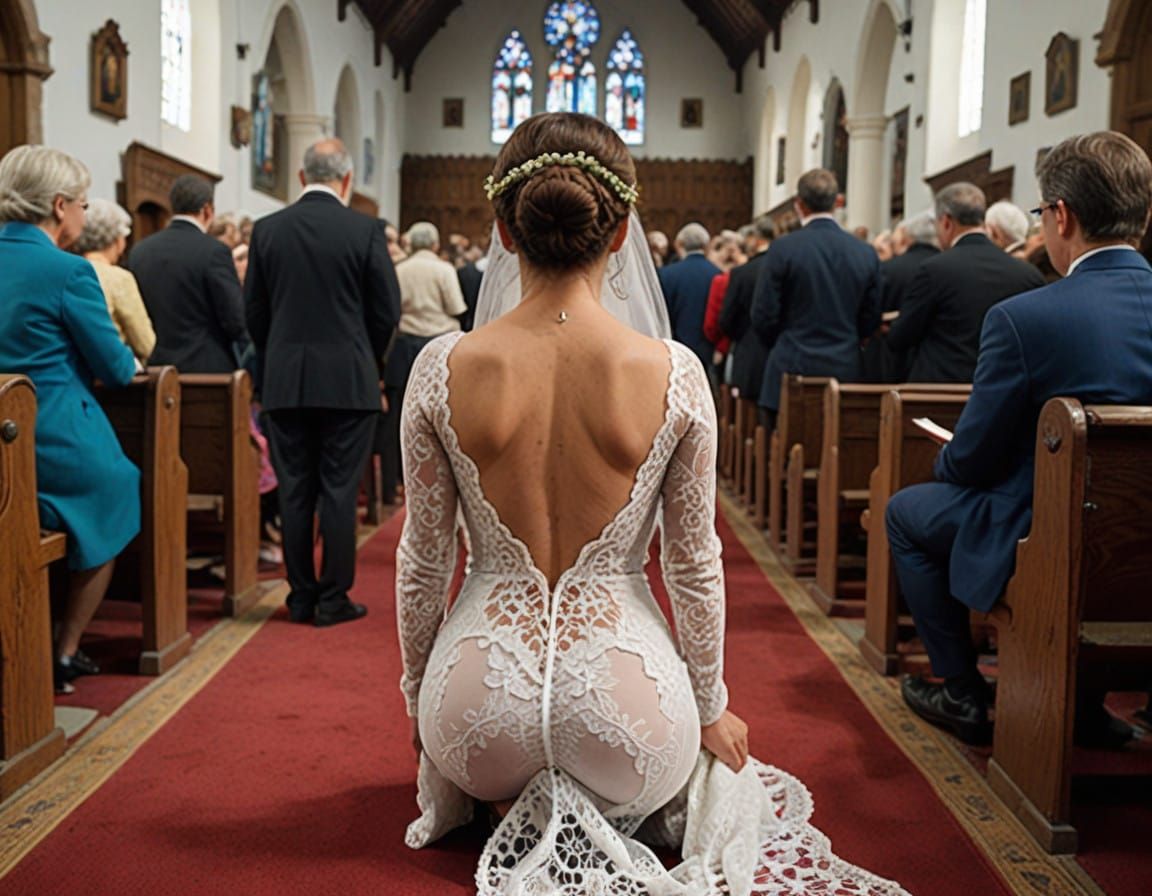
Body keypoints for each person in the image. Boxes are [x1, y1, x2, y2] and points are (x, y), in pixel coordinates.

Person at [395, 111, 908, 895]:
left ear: (501, 228)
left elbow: (423, 561)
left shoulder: (440, 366)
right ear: (620, 231)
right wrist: (709, 707)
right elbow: (695, 562)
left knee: (477, 724)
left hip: (475, 710)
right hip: (625, 710)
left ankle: (508, 795)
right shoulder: (672, 371)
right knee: (701, 778)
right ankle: (600, 801)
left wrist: (421, 709)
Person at [886, 131, 1152, 747]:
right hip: (1136, 545)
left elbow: (973, 461)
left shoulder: (1027, 318)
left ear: (1061, 216)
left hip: (1052, 536)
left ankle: (962, 692)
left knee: (906, 512)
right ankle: (1085, 706)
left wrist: (948, 454)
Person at [0, 146, 139, 693]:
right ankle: (65, 647)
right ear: (59, 207)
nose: (84, 214)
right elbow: (116, 368)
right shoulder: (68, 271)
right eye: (82, 203)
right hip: (49, 438)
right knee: (120, 485)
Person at [245, 138, 400, 626]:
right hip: (348, 382)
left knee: (294, 490)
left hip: (286, 382)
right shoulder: (365, 230)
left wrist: (278, 356)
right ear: (348, 180)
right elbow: (386, 311)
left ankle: (299, 595)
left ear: (300, 176)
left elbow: (253, 311)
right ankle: (333, 597)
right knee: (337, 488)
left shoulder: (267, 230)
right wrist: (366, 358)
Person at [750, 168, 881, 427]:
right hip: (844, 369)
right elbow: (871, 316)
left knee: (784, 454)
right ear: (837, 202)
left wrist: (783, 342)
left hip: (791, 366)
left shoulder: (784, 248)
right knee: (841, 454)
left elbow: (763, 314)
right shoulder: (864, 253)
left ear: (799, 205)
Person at [886, 183, 1045, 384]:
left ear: (945, 222)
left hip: (940, 392)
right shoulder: (1027, 274)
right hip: (1002, 392)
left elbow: (901, 337)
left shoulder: (934, 270)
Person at [382, 221, 468, 502]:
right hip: (437, 347)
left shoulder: (399, 269)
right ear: (434, 244)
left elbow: (391, 310)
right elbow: (456, 307)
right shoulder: (443, 270)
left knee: (397, 416)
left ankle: (393, 484)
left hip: (403, 345)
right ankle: (442, 484)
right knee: (441, 416)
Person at [129, 175, 248, 373]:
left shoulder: (140, 251)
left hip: (154, 367)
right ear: (207, 210)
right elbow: (235, 319)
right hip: (206, 369)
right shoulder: (214, 251)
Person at [72, 198, 156, 363]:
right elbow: (145, 343)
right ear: (117, 240)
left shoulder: (69, 270)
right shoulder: (119, 279)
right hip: (110, 374)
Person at [719, 213, 776, 407]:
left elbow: (726, 319)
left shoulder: (742, 273)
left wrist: (743, 336)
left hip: (749, 355)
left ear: (756, 239)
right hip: (779, 356)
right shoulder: (786, 266)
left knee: (749, 418)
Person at [659, 222, 720, 371]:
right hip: (709, 351)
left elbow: (662, 314)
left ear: (680, 244)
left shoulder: (667, 274)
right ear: (706, 246)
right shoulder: (717, 273)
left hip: (675, 350)